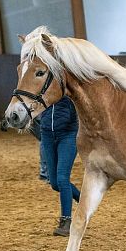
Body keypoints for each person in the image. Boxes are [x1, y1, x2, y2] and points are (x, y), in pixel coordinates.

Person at [40, 96, 80, 237]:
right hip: (47, 134)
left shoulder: (66, 82)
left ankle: (66, 222)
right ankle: (82, 199)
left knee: (62, 178)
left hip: (68, 134)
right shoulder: (43, 85)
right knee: (55, 183)